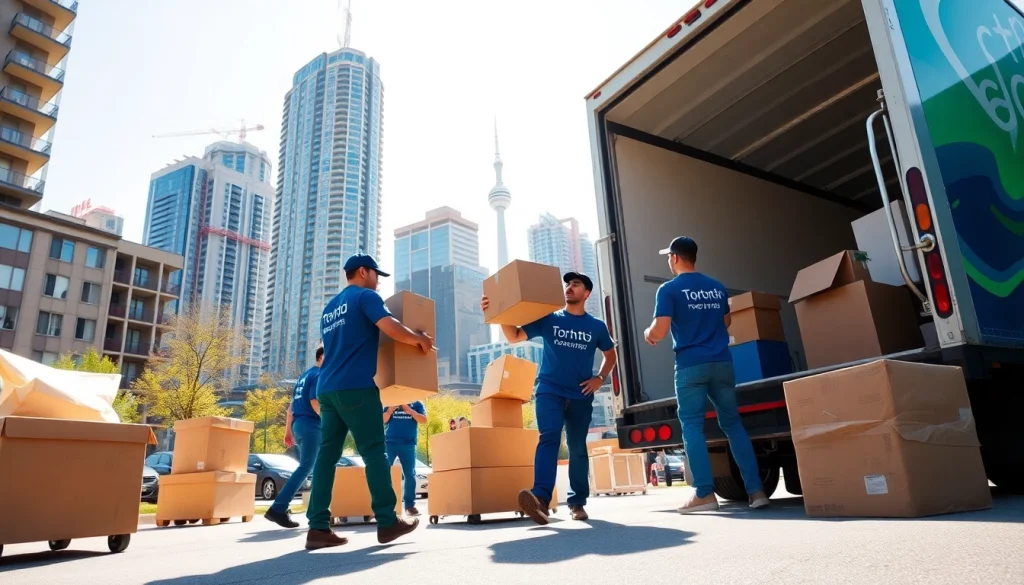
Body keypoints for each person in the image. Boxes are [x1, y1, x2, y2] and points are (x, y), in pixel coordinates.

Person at [304, 254, 434, 550]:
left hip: (327, 388)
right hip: (356, 387)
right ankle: (387, 521)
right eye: (376, 274)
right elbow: (389, 327)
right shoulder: (366, 296)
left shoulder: (329, 308)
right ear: (363, 272)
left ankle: (318, 528)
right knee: (375, 451)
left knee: (327, 456)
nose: (378, 281)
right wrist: (419, 339)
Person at [643, 236, 769, 514]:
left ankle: (704, 494)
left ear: (675, 258)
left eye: (668, 257)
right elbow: (726, 321)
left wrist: (648, 334)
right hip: (722, 362)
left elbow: (660, 331)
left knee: (691, 426)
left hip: (691, 366)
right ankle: (756, 491)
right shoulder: (716, 287)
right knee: (733, 425)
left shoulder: (669, 289)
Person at [481, 271, 617, 524]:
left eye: (575, 284)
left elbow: (611, 354)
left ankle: (577, 502)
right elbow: (514, 336)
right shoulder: (549, 319)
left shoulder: (596, 326)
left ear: (586, 293)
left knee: (577, 448)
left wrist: (600, 378)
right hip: (549, 389)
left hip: (580, 395)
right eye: (567, 284)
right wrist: (497, 313)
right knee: (549, 438)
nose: (569, 287)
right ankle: (540, 499)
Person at [264, 347, 324, 529]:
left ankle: (317, 509)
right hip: (311, 424)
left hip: (299, 424)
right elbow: (315, 402)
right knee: (308, 466)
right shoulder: (319, 374)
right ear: (321, 357)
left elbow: (291, 407)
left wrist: (288, 430)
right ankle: (278, 507)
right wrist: (329, 422)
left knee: (313, 466)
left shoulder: (304, 376)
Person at [383, 402, 427, 516]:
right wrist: (389, 411)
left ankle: (410, 506)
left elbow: (423, 420)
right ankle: (384, 506)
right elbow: (382, 420)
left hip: (408, 444)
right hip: (390, 442)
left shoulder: (417, 403)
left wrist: (409, 410)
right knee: (383, 473)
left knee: (410, 474)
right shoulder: (391, 400)